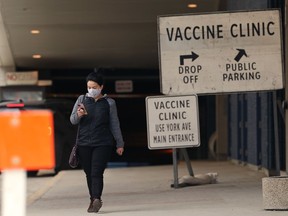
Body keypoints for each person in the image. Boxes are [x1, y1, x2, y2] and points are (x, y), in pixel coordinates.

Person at [70, 71, 124, 213]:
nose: (91, 90)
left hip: (103, 143)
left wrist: (120, 143)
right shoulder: (81, 99)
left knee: (96, 172)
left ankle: (97, 199)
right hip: (84, 143)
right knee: (89, 173)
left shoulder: (109, 103)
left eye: (94, 87)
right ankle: (93, 199)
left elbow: (114, 124)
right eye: (89, 87)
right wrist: (79, 114)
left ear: (101, 87)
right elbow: (72, 120)